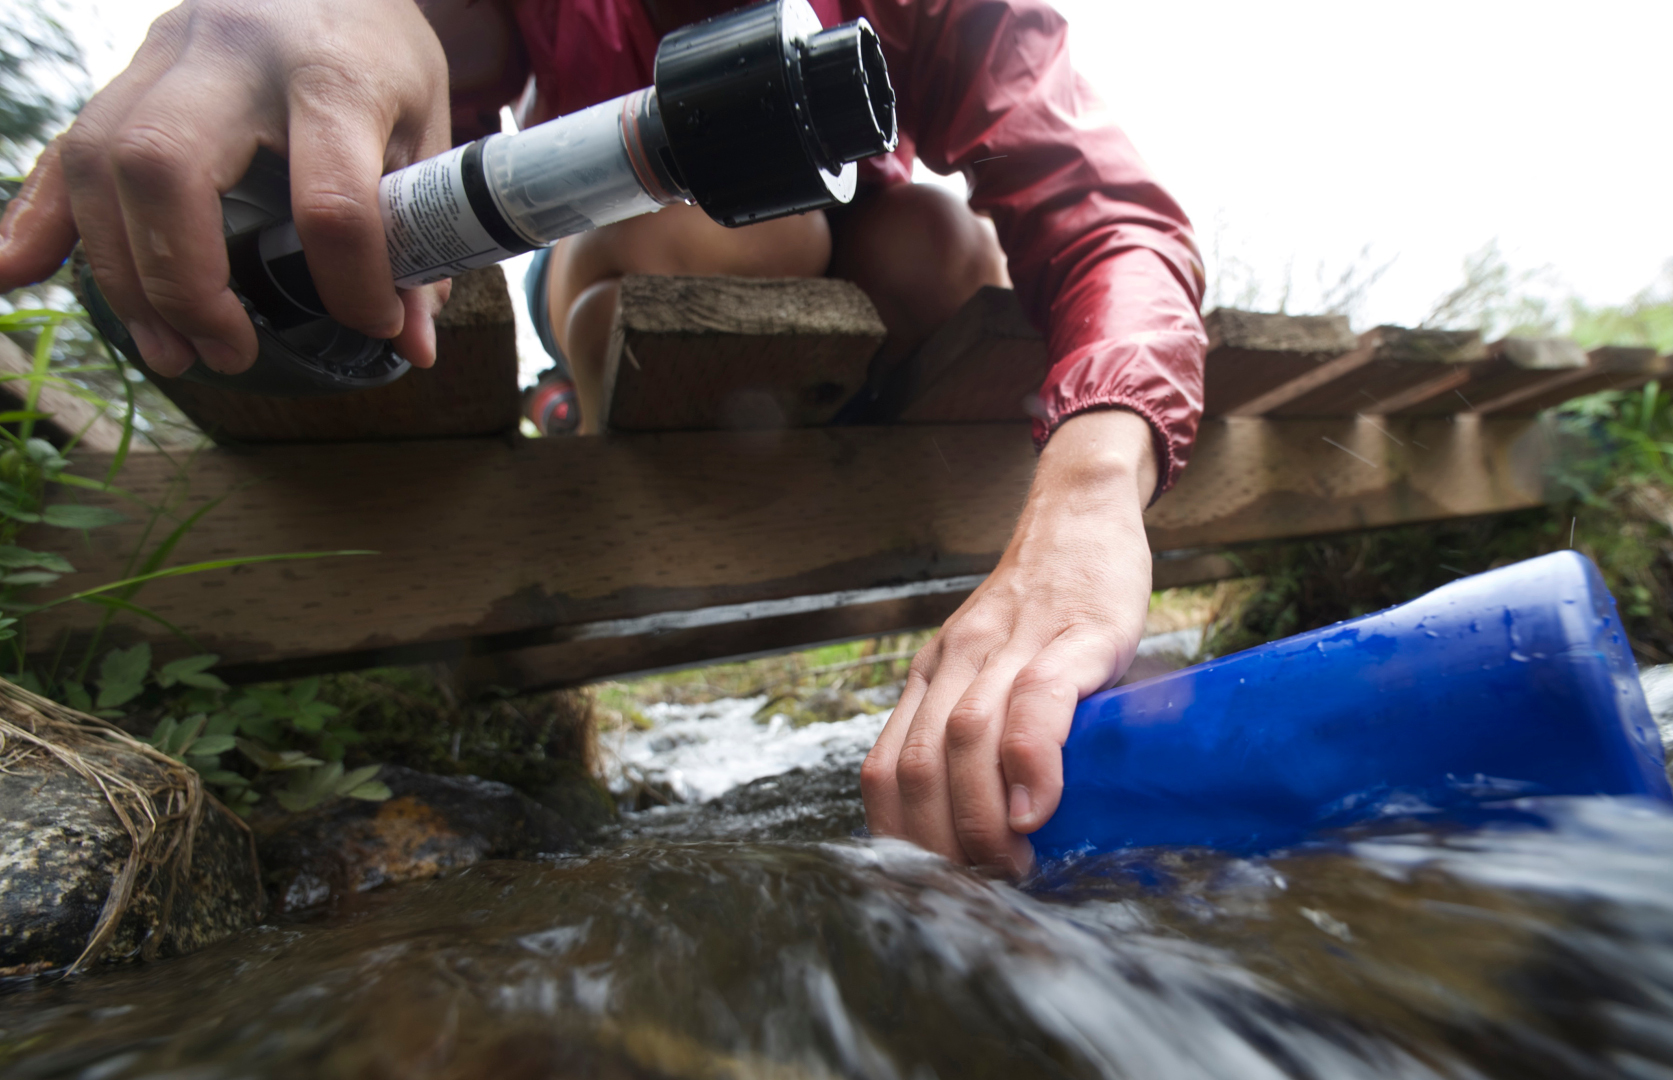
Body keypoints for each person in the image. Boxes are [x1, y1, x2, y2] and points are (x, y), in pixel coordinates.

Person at [0, 0, 1206, 877]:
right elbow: (418, 36)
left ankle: (838, 435)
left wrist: (1094, 486)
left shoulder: (940, 15)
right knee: (722, 235)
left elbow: (1108, 218)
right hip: (631, 249)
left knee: (943, 245)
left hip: (869, 273)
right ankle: (608, 401)